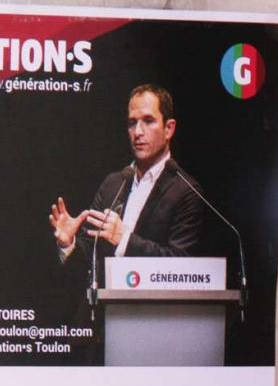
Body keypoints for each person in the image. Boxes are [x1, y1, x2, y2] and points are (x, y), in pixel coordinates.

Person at [49, 84, 204, 275]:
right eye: (132, 123)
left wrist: (125, 240)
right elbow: (91, 257)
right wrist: (69, 244)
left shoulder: (186, 191)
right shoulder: (113, 184)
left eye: (148, 121)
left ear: (169, 129)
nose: (138, 132)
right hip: (106, 295)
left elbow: (182, 266)